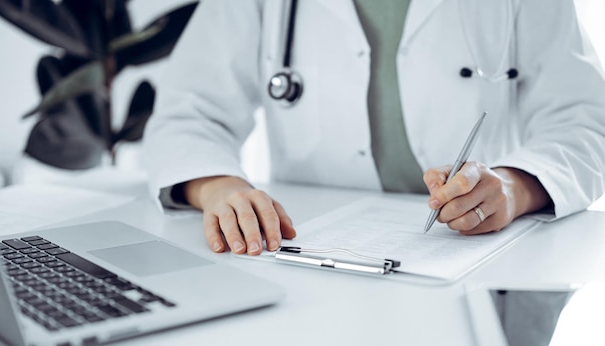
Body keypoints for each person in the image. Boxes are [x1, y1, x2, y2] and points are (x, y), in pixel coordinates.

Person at [142, 0, 605, 256]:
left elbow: (586, 122)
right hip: (304, 254)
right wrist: (218, 187)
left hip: (475, 264)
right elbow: (188, 114)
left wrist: (513, 187)